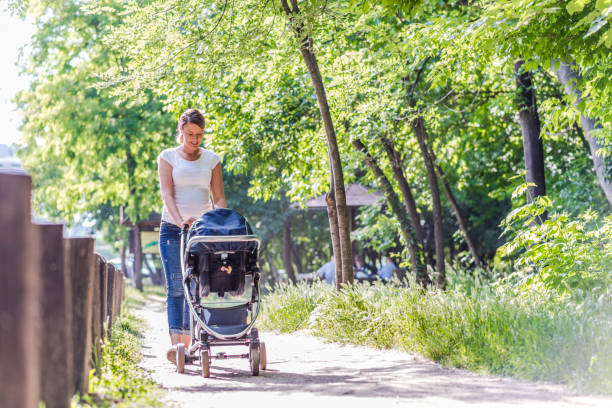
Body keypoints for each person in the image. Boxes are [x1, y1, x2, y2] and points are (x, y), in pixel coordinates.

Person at [157, 108, 226, 364]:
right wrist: (180, 220)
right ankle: (179, 349)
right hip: (173, 230)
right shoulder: (168, 158)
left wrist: (222, 222)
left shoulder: (212, 159)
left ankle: (199, 341)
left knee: (201, 286)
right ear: (181, 132)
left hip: (202, 232)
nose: (194, 140)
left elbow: (218, 197)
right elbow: (167, 195)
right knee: (177, 287)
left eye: (199, 135)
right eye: (189, 134)